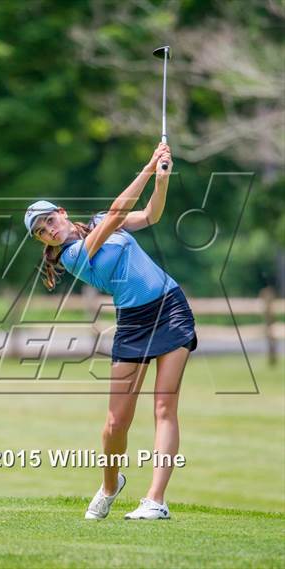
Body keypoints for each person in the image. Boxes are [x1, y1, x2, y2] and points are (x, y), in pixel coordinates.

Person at [23, 143, 197, 521]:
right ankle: (108, 484)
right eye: (42, 232)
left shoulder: (99, 221)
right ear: (43, 242)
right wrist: (149, 166)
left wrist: (161, 180)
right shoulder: (72, 256)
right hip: (133, 324)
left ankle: (156, 500)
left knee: (165, 407)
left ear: (62, 214)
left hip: (171, 308)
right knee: (116, 422)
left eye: (50, 221)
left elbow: (150, 214)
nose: (50, 231)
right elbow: (118, 213)